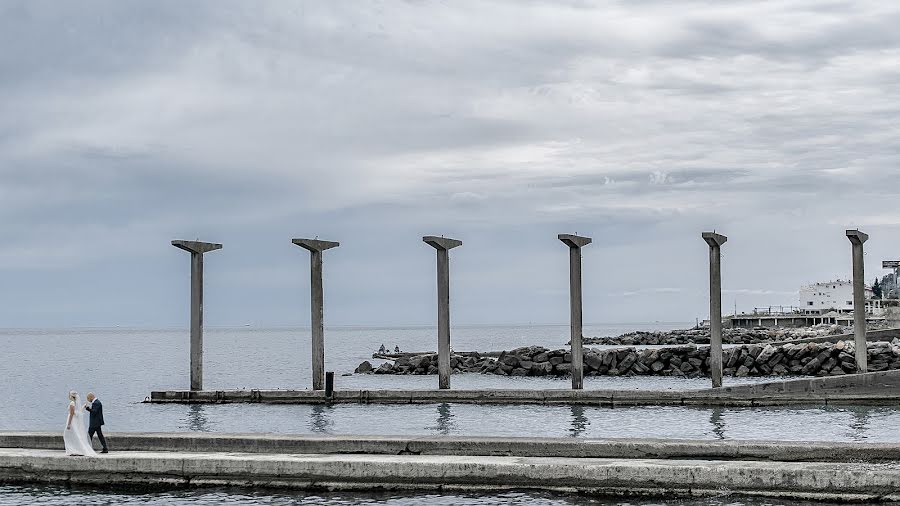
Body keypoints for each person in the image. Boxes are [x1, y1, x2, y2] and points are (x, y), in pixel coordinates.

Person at [63, 391, 95, 456]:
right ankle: (76, 449)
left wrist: (69, 424)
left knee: (68, 435)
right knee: (75, 434)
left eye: (69, 395)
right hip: (74, 420)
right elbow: (78, 412)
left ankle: (73, 449)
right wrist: (83, 407)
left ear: (71, 396)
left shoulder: (72, 403)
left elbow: (72, 414)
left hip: (72, 421)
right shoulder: (75, 403)